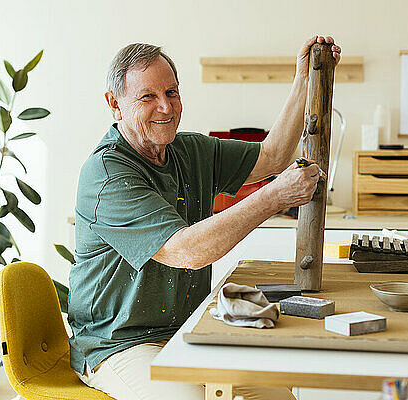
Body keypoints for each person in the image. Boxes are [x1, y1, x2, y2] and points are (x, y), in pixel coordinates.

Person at [68, 36, 341, 400]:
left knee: (278, 395)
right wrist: (274, 197)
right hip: (119, 344)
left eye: (172, 92)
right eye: (148, 96)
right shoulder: (107, 174)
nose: (165, 106)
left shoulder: (189, 149)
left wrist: (304, 78)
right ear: (114, 105)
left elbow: (274, 155)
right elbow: (186, 252)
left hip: (191, 331)